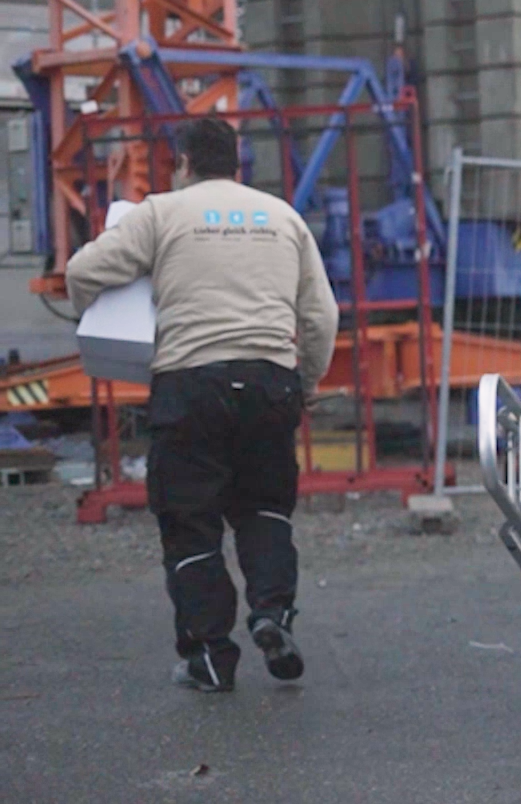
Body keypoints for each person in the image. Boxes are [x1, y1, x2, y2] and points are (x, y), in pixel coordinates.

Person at [66, 116, 338, 693]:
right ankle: (271, 613)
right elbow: (321, 316)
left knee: (190, 524)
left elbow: (84, 270)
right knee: (264, 510)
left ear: (183, 163)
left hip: (191, 384)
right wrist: (306, 382)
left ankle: (211, 656)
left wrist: (99, 313)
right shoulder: (283, 217)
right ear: (237, 165)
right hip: (269, 382)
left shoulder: (162, 212)